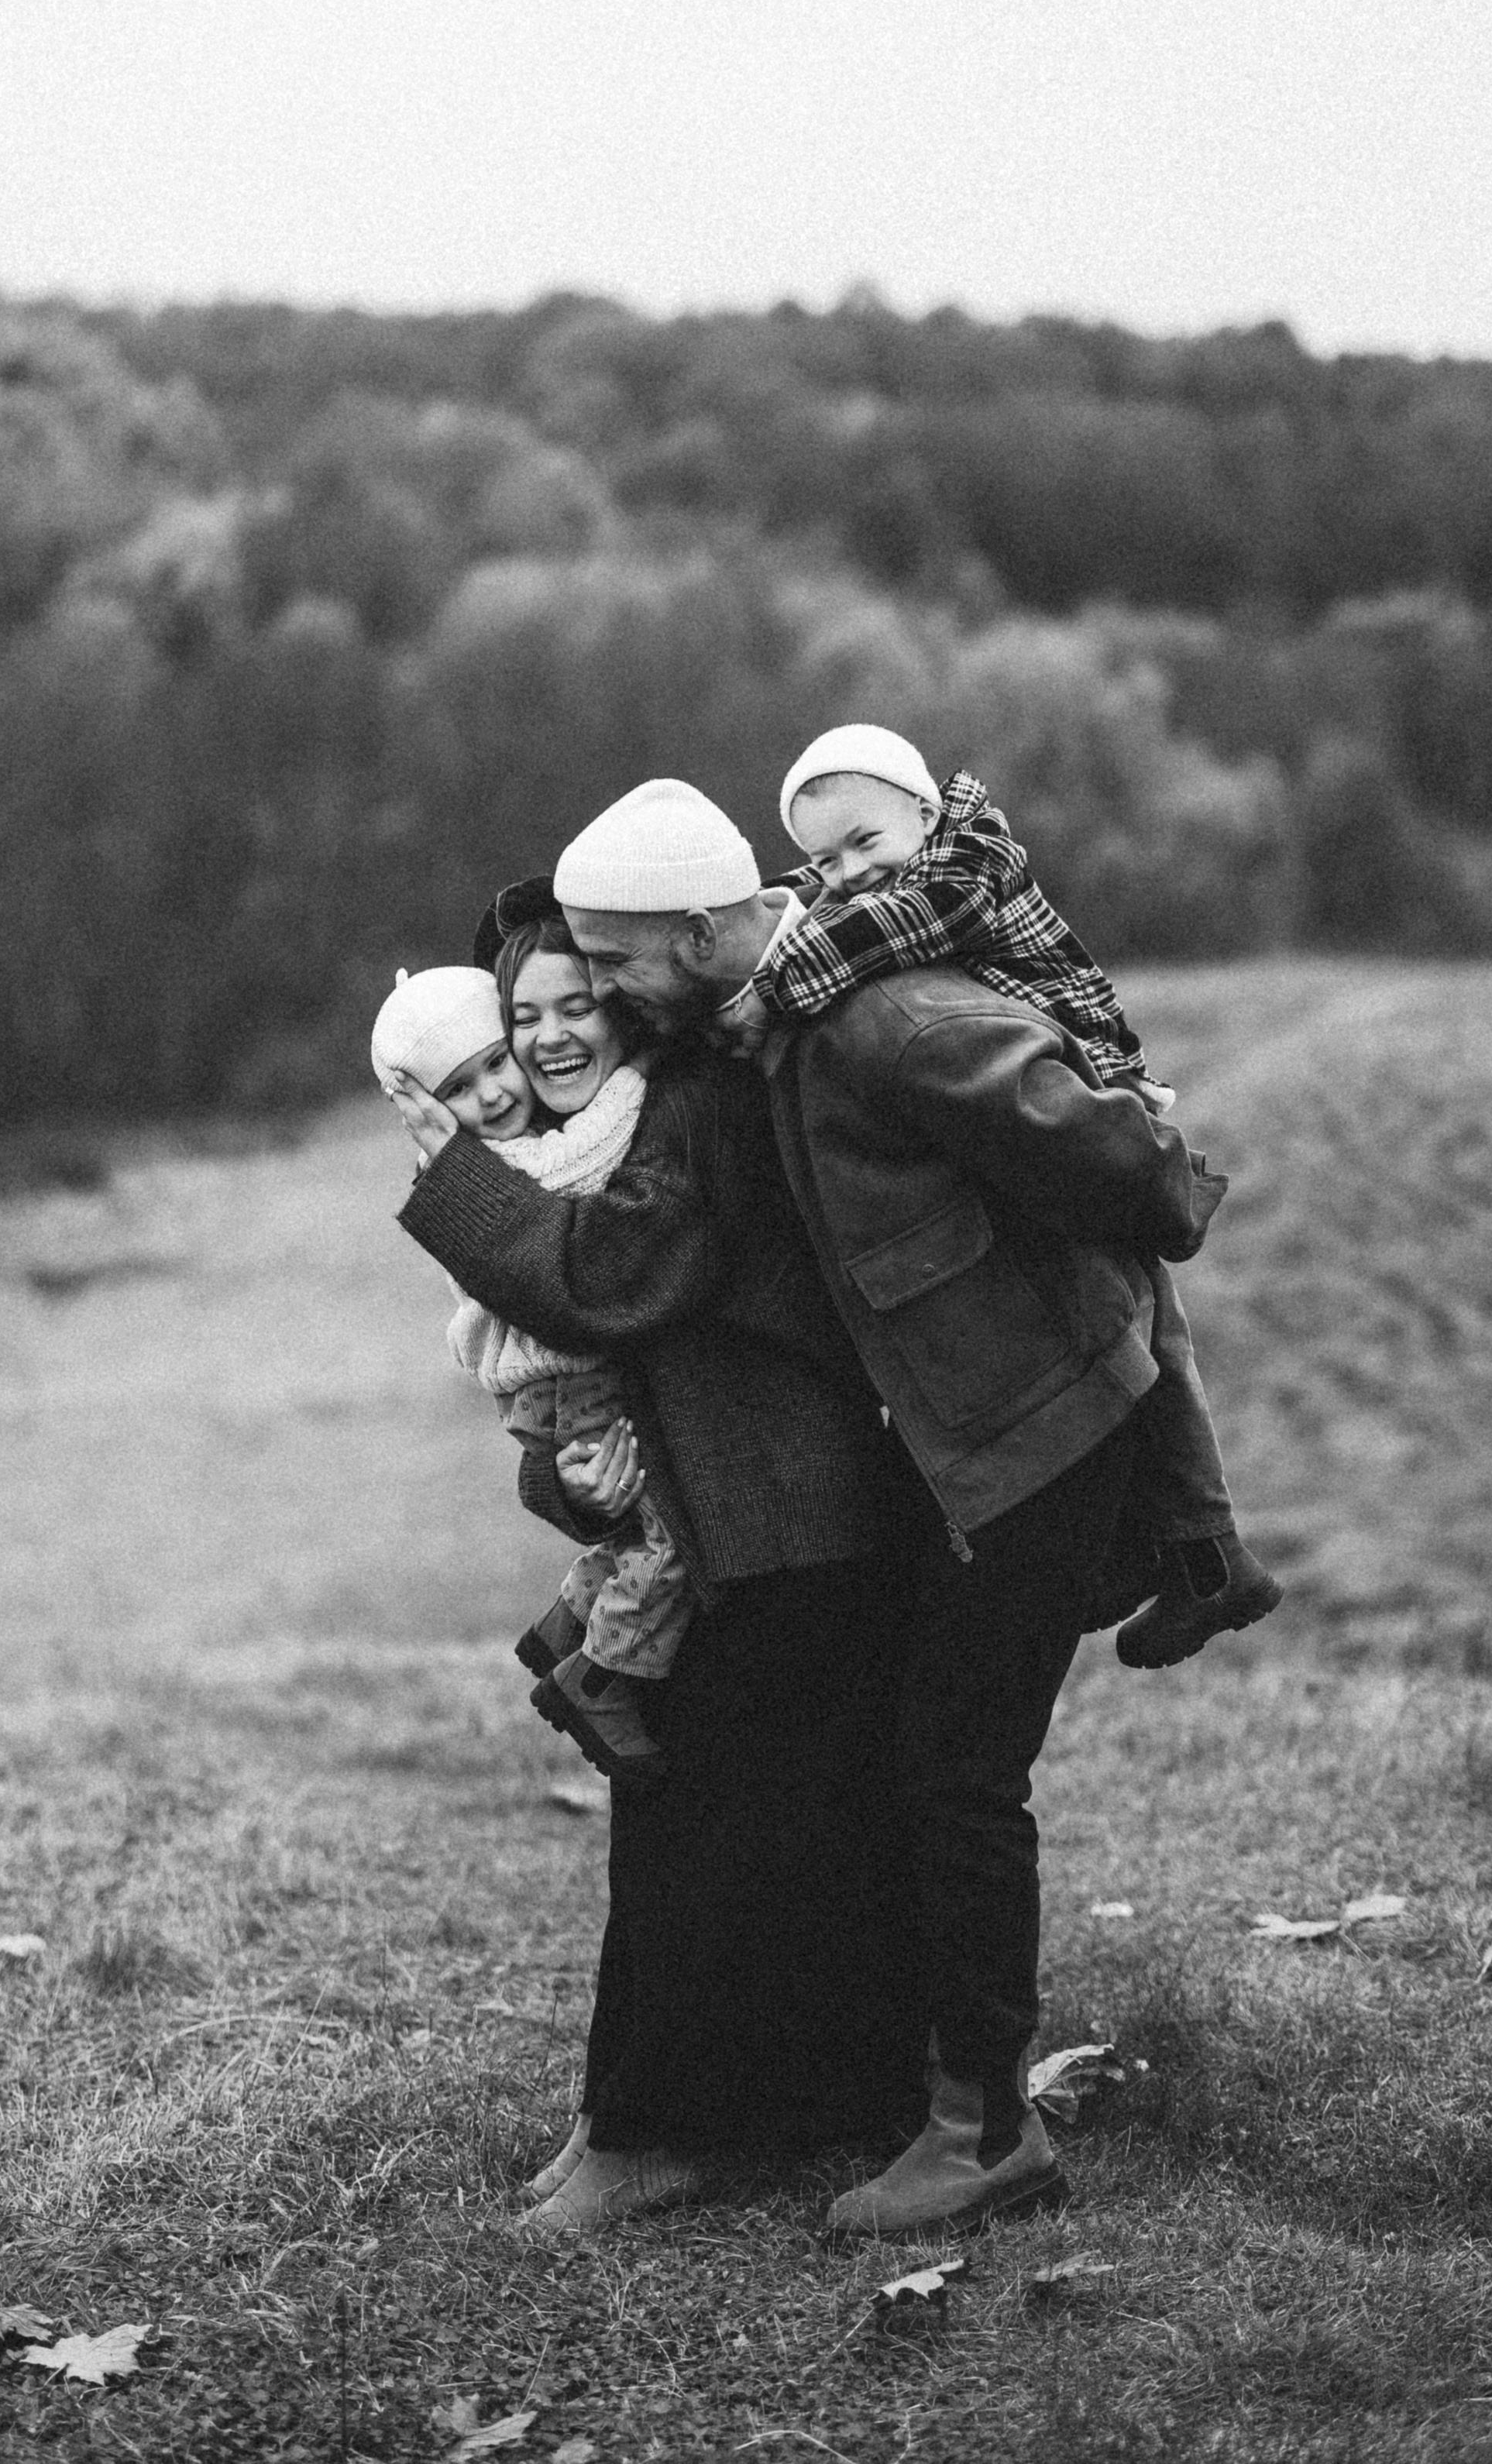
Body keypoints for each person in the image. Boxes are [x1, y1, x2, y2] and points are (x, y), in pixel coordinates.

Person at [545, 776, 1239, 2238]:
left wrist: (1160, 1197)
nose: (595, 990)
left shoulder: (891, 1021)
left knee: (961, 1779)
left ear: (694, 931)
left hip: (1045, 1440)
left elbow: (1137, 1173)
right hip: (962, 1443)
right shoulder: (775, 1018)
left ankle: (988, 2134)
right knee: (917, 1762)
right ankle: (920, 2094)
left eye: (611, 960)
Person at [390, 855, 938, 2237]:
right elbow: (589, 1405)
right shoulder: (608, 1140)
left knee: (714, 1833)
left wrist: (452, 1179)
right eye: (526, 1019)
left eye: (584, 1001)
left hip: (793, 1515)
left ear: (636, 1004)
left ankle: (670, 2133)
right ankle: (669, 2116)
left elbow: (605, 1284)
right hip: (727, 1526)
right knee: (720, 1825)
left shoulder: (689, 1112)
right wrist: (571, 1482)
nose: (554, 1037)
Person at [734, 720, 1279, 1672]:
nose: (850, 872)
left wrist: (767, 987)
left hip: (1093, 1079)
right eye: (824, 858)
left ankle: (1205, 1548)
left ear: (925, 811)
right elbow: (831, 907)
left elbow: (877, 930)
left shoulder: (964, 868)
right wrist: (776, 903)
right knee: (1119, 1312)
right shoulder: (879, 874)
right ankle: (1177, 1549)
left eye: (867, 843)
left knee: (1141, 1313)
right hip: (1035, 1072)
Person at [368, 947, 689, 1785]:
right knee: (665, 1537)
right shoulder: (491, 1166)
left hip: (553, 1384)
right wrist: (638, 1074)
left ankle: (574, 1612)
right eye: (461, 1091)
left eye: (494, 1067)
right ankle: (599, 1675)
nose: (496, 1094)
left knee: (633, 1526)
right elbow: (588, 1155)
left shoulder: (493, 1155)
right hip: (562, 1380)